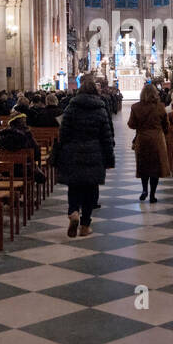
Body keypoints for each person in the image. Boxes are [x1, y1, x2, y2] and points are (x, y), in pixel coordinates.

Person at [56, 79, 115, 237]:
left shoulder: (70, 108)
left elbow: (63, 134)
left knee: (74, 185)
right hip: (94, 153)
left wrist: (63, 151)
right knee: (91, 188)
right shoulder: (100, 109)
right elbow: (106, 138)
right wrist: (109, 159)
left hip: (73, 152)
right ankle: (85, 225)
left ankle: (73, 211)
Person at [128, 83, 170, 202]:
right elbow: (166, 124)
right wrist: (164, 131)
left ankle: (144, 190)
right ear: (155, 94)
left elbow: (131, 125)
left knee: (144, 166)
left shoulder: (135, 107)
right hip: (157, 139)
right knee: (155, 167)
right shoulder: (160, 107)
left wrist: (140, 126)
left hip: (142, 139)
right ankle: (152, 195)